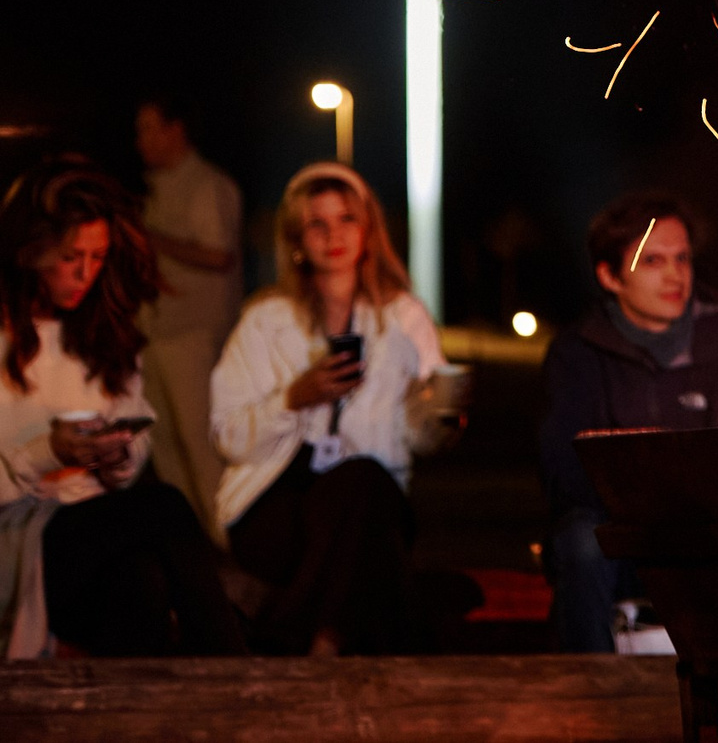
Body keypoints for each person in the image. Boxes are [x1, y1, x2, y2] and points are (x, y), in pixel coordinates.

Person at [210, 162, 460, 654]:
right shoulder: (264, 320)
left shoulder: (403, 318)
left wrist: (443, 416)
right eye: (316, 224)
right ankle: (336, 636)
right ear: (296, 241)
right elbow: (227, 437)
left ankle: (306, 638)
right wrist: (292, 399)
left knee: (362, 487)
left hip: (367, 498)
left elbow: (420, 435)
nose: (334, 236)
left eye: (347, 219)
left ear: (368, 230)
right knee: (372, 544)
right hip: (275, 500)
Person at [0, 157, 241, 657]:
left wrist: (117, 459)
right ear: (31, 251)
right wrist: (49, 452)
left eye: (99, 256)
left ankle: (161, 701)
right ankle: (233, 666)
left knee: (141, 580)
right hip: (18, 539)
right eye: (71, 256)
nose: (86, 273)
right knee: (166, 506)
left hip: (96, 531)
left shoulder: (103, 336)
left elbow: (136, 436)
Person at [538, 191, 718, 652]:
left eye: (682, 258)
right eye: (653, 261)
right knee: (580, 542)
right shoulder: (577, 353)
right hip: (618, 533)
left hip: (702, 529)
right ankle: (591, 682)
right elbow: (563, 470)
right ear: (609, 276)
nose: (674, 275)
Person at [133, 94, 243, 538]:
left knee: (200, 446)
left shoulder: (207, 185)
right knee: (164, 447)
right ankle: (194, 547)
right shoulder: (156, 188)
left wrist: (150, 239)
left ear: (175, 130)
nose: (140, 141)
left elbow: (219, 255)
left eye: (147, 128)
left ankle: (229, 543)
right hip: (154, 333)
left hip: (194, 334)